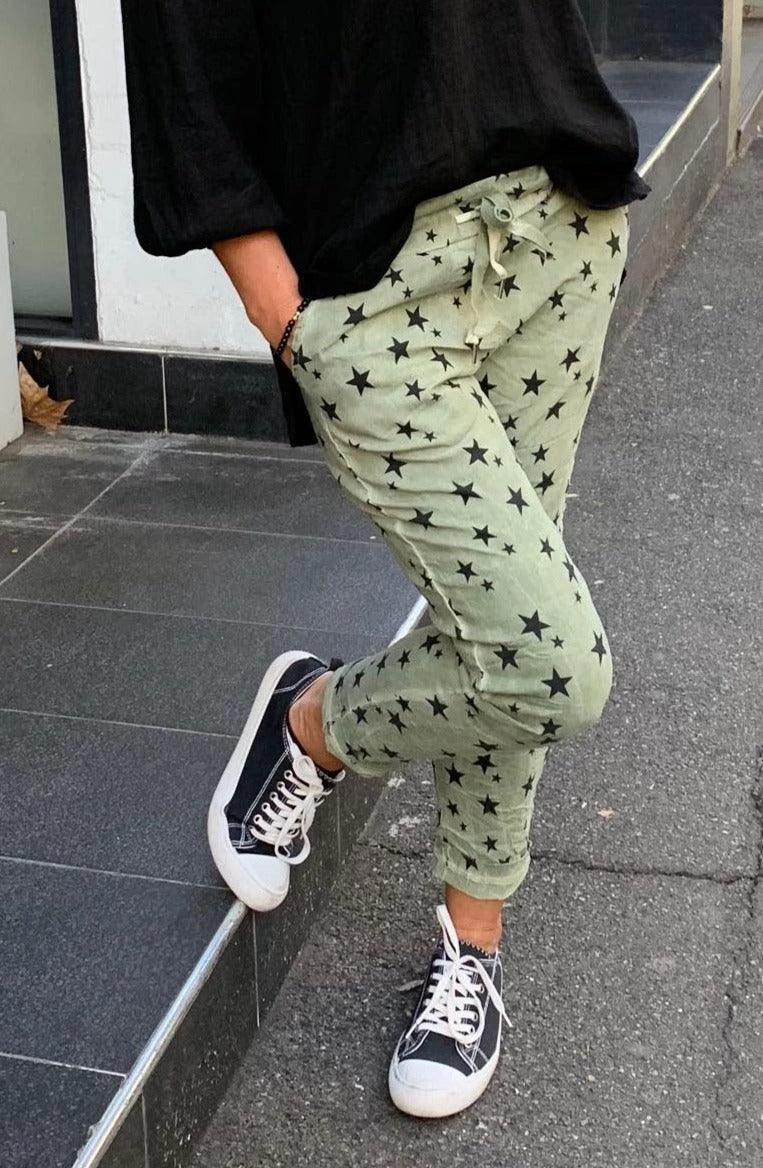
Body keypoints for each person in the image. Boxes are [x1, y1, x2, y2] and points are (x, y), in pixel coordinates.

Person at [119, 0, 650, 1119]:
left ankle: (469, 942)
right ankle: (313, 723)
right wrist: (291, 324)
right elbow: (182, 82)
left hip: (559, 224)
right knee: (549, 662)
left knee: (496, 618)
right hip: (379, 289)